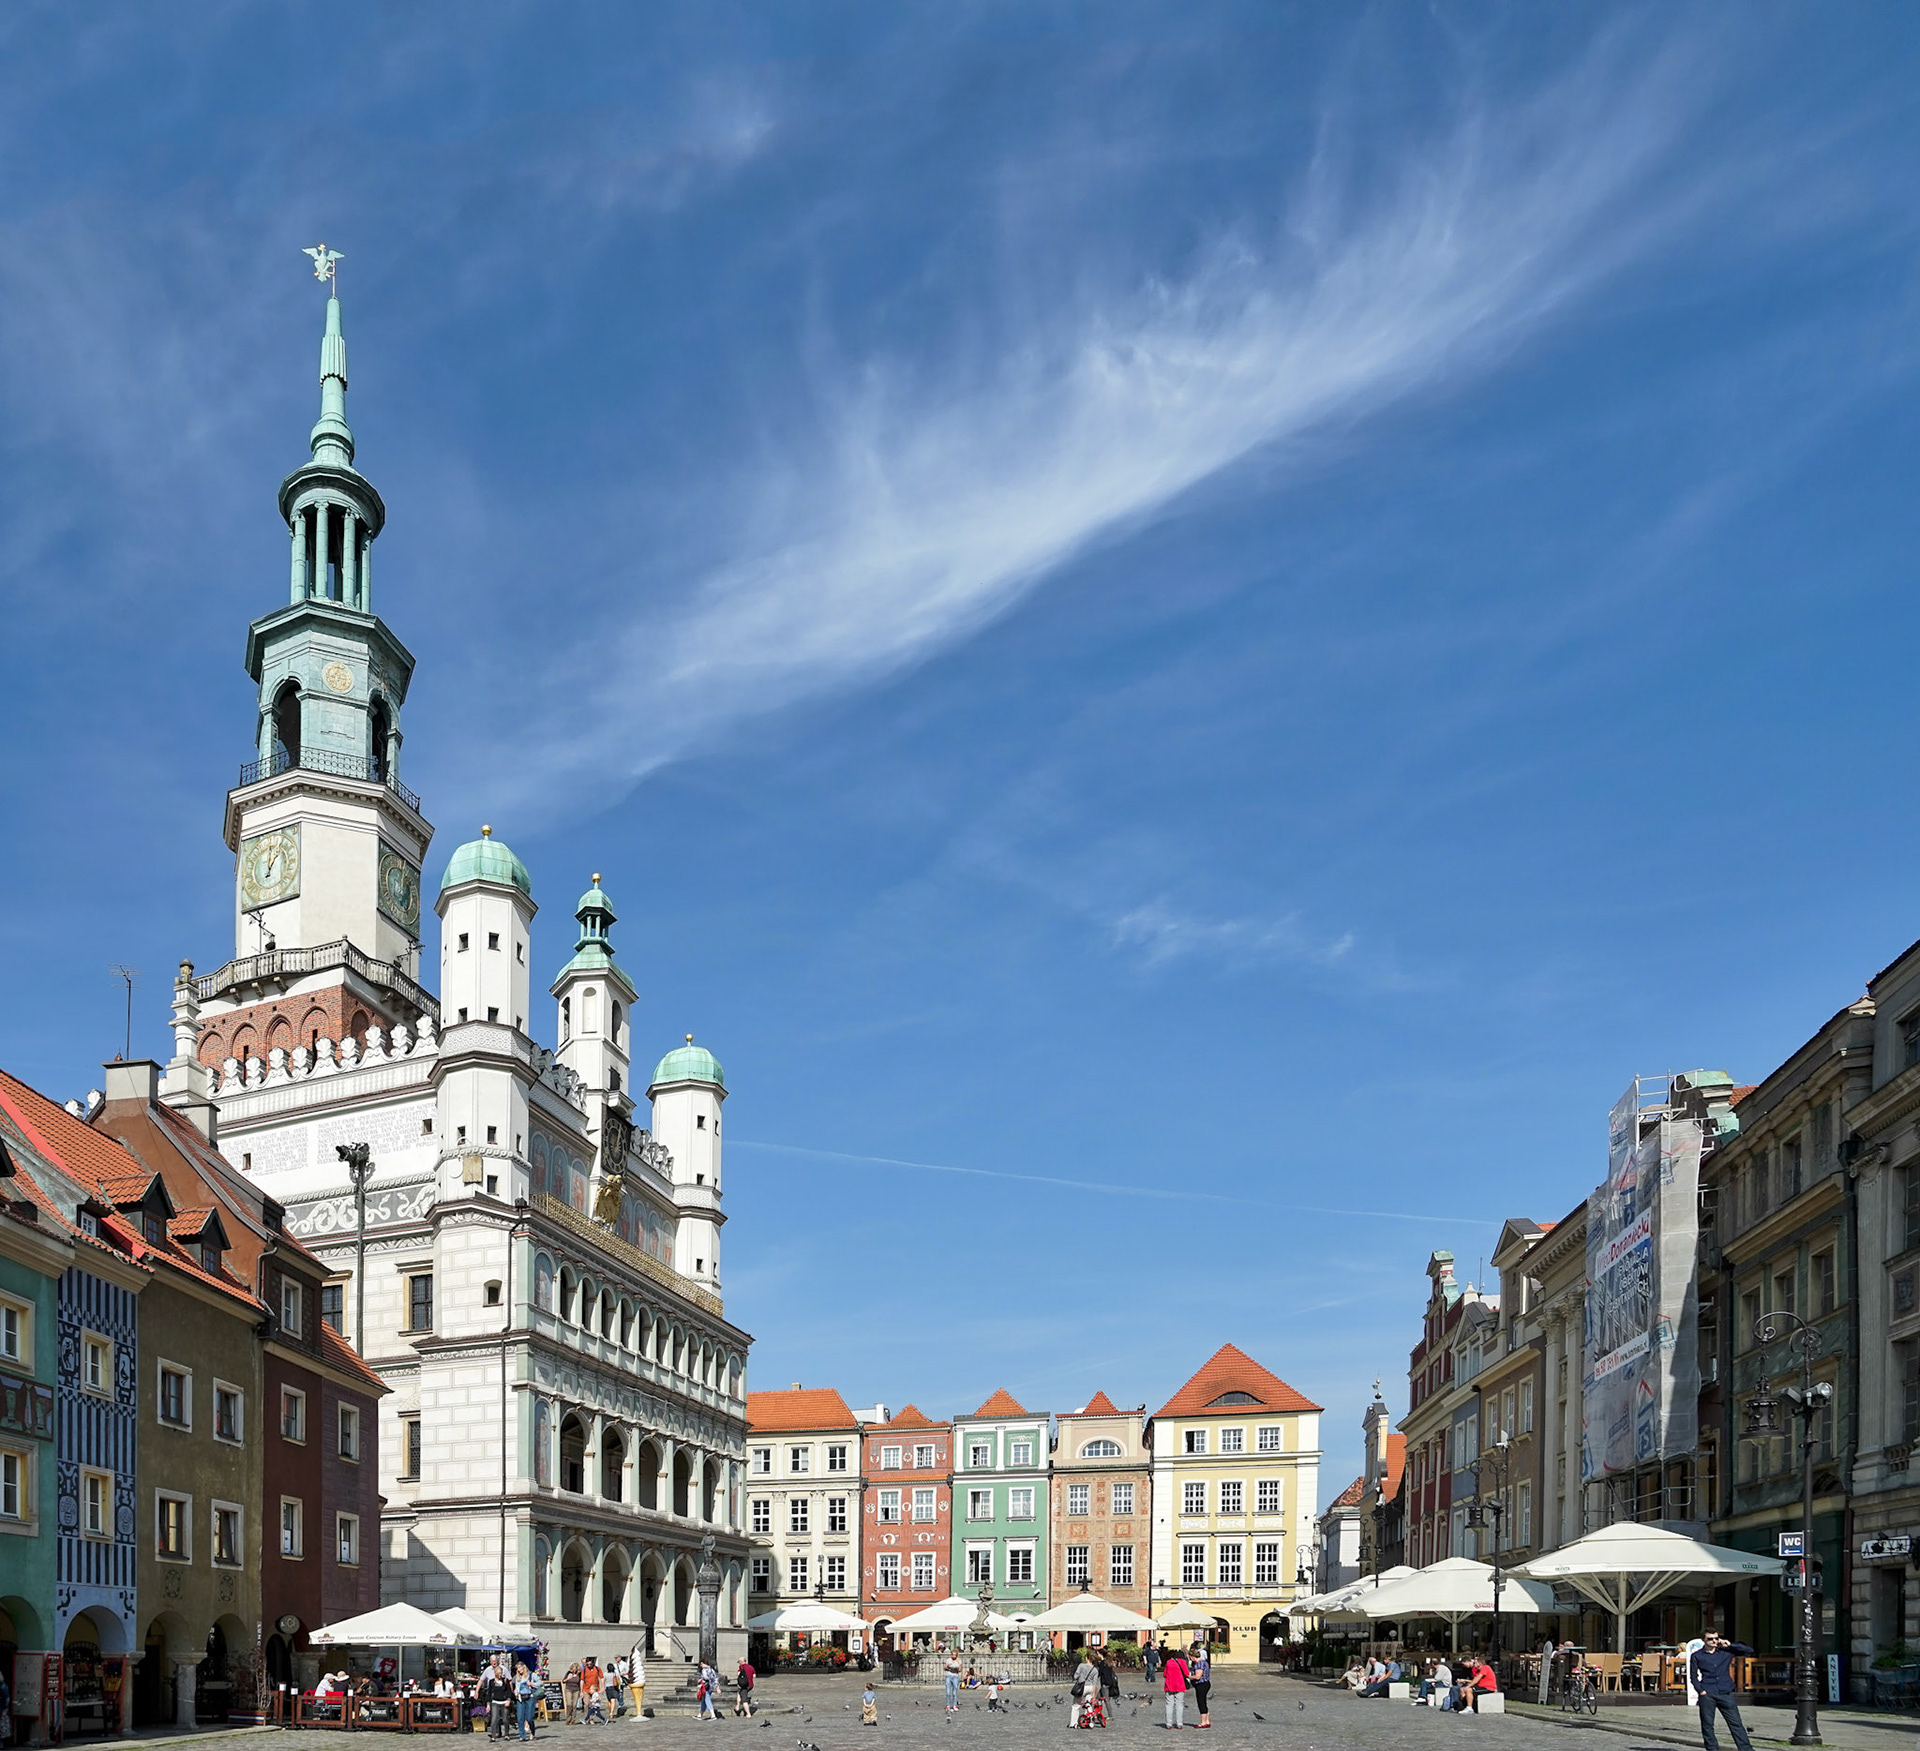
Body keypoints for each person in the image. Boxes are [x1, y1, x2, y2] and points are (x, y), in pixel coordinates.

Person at [1687, 1631, 1755, 1751]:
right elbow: (1693, 1676)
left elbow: (1749, 1651)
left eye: (1716, 1638)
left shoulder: (1725, 1651)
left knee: (1736, 1723)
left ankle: (1746, 1749)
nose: (1714, 1641)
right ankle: (1712, 1749)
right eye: (1710, 1639)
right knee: (1707, 1725)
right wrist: (1700, 1690)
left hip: (1725, 1692)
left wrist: (1730, 1645)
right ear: (1703, 1640)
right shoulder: (1697, 1655)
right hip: (1708, 1693)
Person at [483, 1660, 514, 1742]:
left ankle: (506, 1734)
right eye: (499, 1673)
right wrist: (488, 1704)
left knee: (505, 1719)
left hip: (504, 1702)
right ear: (495, 1673)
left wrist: (508, 1700)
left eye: (501, 1673)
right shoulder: (491, 1682)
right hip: (495, 1702)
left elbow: (509, 1691)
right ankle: (493, 1736)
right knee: (494, 1719)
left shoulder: (505, 1681)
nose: (500, 1675)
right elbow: (489, 1693)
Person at [1160, 1644, 1190, 1729]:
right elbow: (1187, 1673)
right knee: (1179, 1704)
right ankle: (1179, 1723)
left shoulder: (1169, 1662)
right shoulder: (1182, 1662)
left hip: (1169, 1686)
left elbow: (1165, 1674)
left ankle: (1168, 1724)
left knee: (1169, 1704)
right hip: (1180, 1685)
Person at [514, 1663, 539, 1742]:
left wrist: (532, 1684)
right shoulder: (517, 1677)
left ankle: (532, 1731)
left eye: (520, 1667)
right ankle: (522, 1736)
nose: (519, 1670)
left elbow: (540, 1683)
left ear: (524, 1667)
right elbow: (517, 1687)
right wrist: (515, 1691)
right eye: (517, 1668)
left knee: (529, 1718)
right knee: (520, 1717)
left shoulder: (531, 1675)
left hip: (530, 1697)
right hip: (521, 1698)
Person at [1071, 1655, 1098, 1728]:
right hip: (1090, 1688)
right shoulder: (1095, 1670)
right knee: (1088, 1704)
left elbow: (1075, 1676)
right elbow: (1095, 1683)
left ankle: (1074, 1723)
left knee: (1076, 1705)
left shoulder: (1081, 1666)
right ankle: (1089, 1721)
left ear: (1087, 1658)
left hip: (1082, 1687)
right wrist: (1094, 1695)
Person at [1189, 1644, 1212, 1728]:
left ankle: (1203, 1722)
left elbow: (1198, 1676)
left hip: (1201, 1684)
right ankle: (1207, 1720)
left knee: (1201, 1703)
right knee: (1204, 1702)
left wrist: (1189, 1676)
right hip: (1206, 1683)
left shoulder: (1199, 1664)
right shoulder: (1205, 1662)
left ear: (1192, 1656)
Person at [579, 1658, 605, 1725]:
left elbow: (602, 1677)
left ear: (593, 1663)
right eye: (587, 1664)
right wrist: (581, 1691)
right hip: (586, 1689)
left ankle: (591, 1719)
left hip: (595, 1689)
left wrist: (602, 1687)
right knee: (587, 1704)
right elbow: (581, 1680)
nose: (589, 1665)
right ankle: (586, 1719)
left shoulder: (597, 1669)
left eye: (590, 1664)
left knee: (593, 1705)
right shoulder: (584, 1670)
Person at [944, 1649, 962, 1715]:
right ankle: (948, 1705)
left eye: (955, 1655)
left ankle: (955, 1705)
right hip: (948, 1676)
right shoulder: (948, 1660)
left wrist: (956, 1668)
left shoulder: (959, 1661)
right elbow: (945, 1668)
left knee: (954, 1692)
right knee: (948, 1692)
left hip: (955, 1676)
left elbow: (960, 1669)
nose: (953, 1656)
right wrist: (948, 1666)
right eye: (952, 1655)